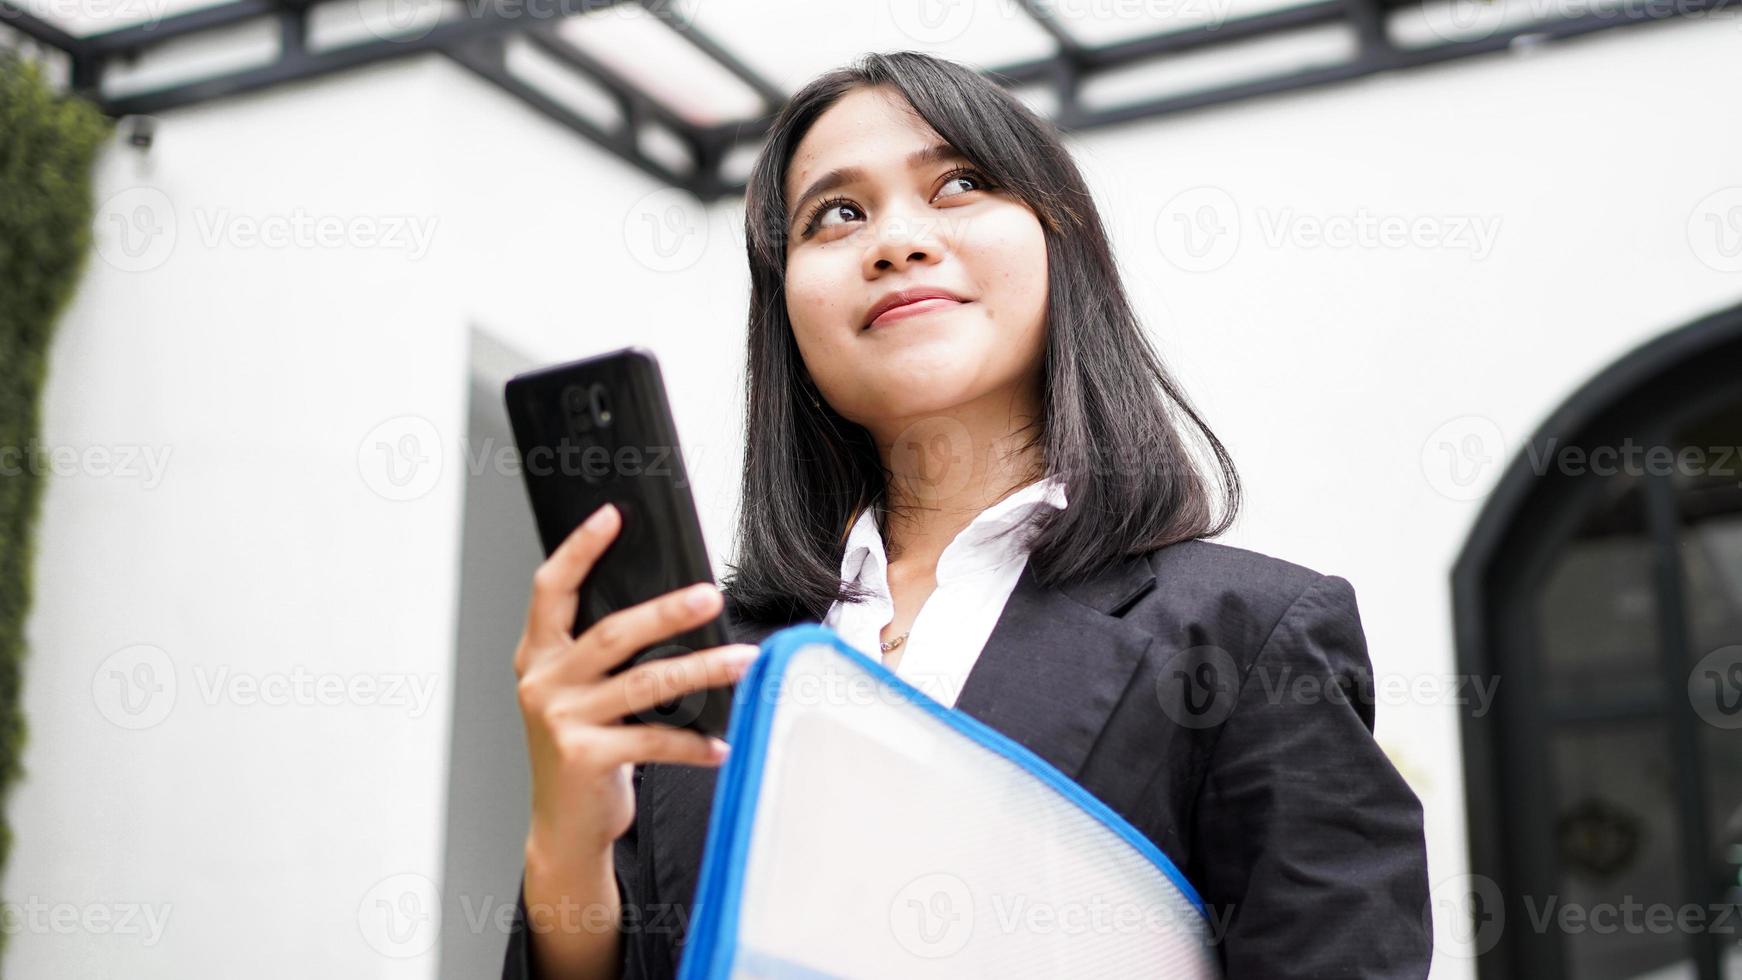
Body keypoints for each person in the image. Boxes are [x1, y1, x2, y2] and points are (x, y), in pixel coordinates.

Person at [502, 50, 1432, 980]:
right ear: (785, 309)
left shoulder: (1249, 638)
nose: (895, 241)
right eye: (837, 214)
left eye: (959, 184)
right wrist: (565, 843)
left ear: (1058, 242)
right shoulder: (700, 663)